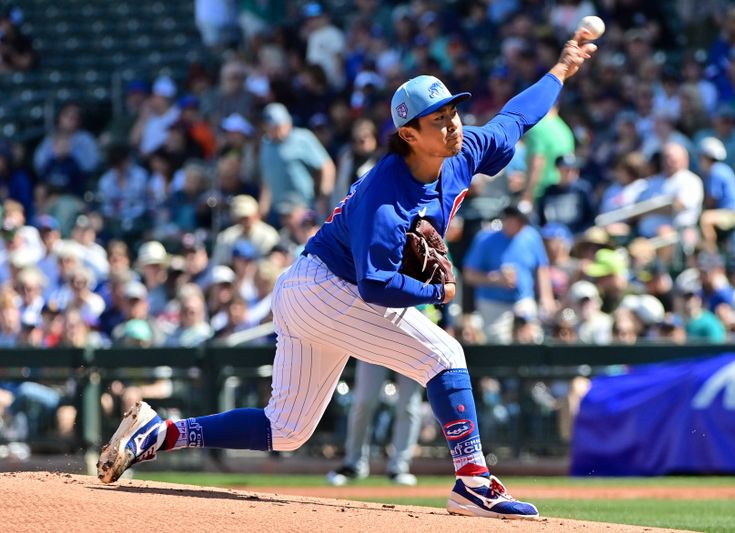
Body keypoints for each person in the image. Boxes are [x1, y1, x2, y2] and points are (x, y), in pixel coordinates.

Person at [97, 31, 596, 520]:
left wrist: (560, 70)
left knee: (287, 428)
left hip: (310, 288)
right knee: (445, 355)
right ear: (408, 134)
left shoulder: (461, 151)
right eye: (438, 119)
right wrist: (435, 291)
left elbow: (516, 118)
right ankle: (473, 483)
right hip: (329, 289)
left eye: (452, 113)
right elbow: (376, 284)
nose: (452, 125)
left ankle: (160, 433)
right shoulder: (387, 196)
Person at [462, 205, 555, 344]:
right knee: (499, 343)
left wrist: (547, 297)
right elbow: (468, 275)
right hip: (492, 303)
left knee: (532, 338)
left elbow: (541, 268)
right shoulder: (485, 238)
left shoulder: (531, 236)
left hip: (522, 299)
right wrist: (495, 279)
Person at [326, 360, 422, 487]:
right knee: (363, 403)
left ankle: (399, 468)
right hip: (376, 342)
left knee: (409, 407)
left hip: (412, 345)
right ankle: (354, 464)